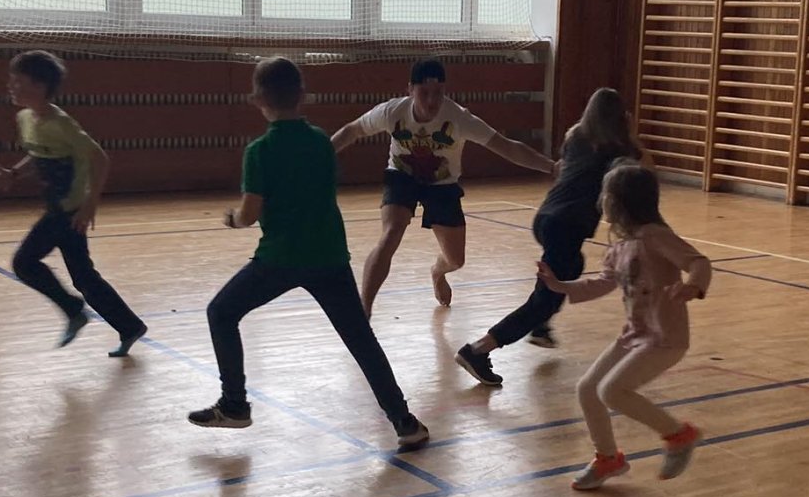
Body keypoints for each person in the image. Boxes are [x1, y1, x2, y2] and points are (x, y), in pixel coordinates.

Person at [189, 58, 431, 452]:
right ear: (302, 95)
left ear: (257, 99)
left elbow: (249, 214)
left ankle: (234, 404)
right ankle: (404, 421)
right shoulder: (320, 142)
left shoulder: (259, 151)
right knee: (360, 339)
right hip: (330, 256)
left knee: (221, 313)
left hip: (280, 259)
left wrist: (232, 219)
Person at [331, 58, 555, 315]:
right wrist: (322, 156)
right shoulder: (392, 111)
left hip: (442, 185)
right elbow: (352, 130)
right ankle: (364, 310)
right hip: (402, 177)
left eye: (438, 93)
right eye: (424, 93)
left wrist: (550, 167)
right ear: (410, 90)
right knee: (391, 233)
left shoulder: (459, 118)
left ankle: (438, 272)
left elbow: (507, 146)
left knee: (456, 260)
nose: (431, 100)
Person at [539, 160, 712, 491]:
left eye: (606, 194)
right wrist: (561, 286)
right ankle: (608, 459)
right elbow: (603, 283)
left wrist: (693, 286)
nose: (601, 200)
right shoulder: (620, 246)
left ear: (620, 201)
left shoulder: (656, 237)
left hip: (665, 337)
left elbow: (698, 262)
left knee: (612, 391)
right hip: (635, 335)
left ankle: (679, 435)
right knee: (588, 389)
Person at [455, 87, 645, 386]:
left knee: (573, 267)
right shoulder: (617, 149)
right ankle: (478, 350)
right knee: (543, 299)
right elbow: (641, 171)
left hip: (546, 218)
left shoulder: (576, 138)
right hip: (567, 226)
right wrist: (631, 134)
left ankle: (540, 326)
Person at [0, 50, 148, 356]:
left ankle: (74, 310)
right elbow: (39, 153)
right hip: (57, 209)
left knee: (24, 263)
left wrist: (90, 204)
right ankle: (129, 326)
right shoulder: (25, 118)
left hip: (68, 212)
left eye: (18, 81)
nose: (10, 86)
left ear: (39, 86)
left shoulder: (62, 124)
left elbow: (100, 159)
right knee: (84, 277)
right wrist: (14, 174)